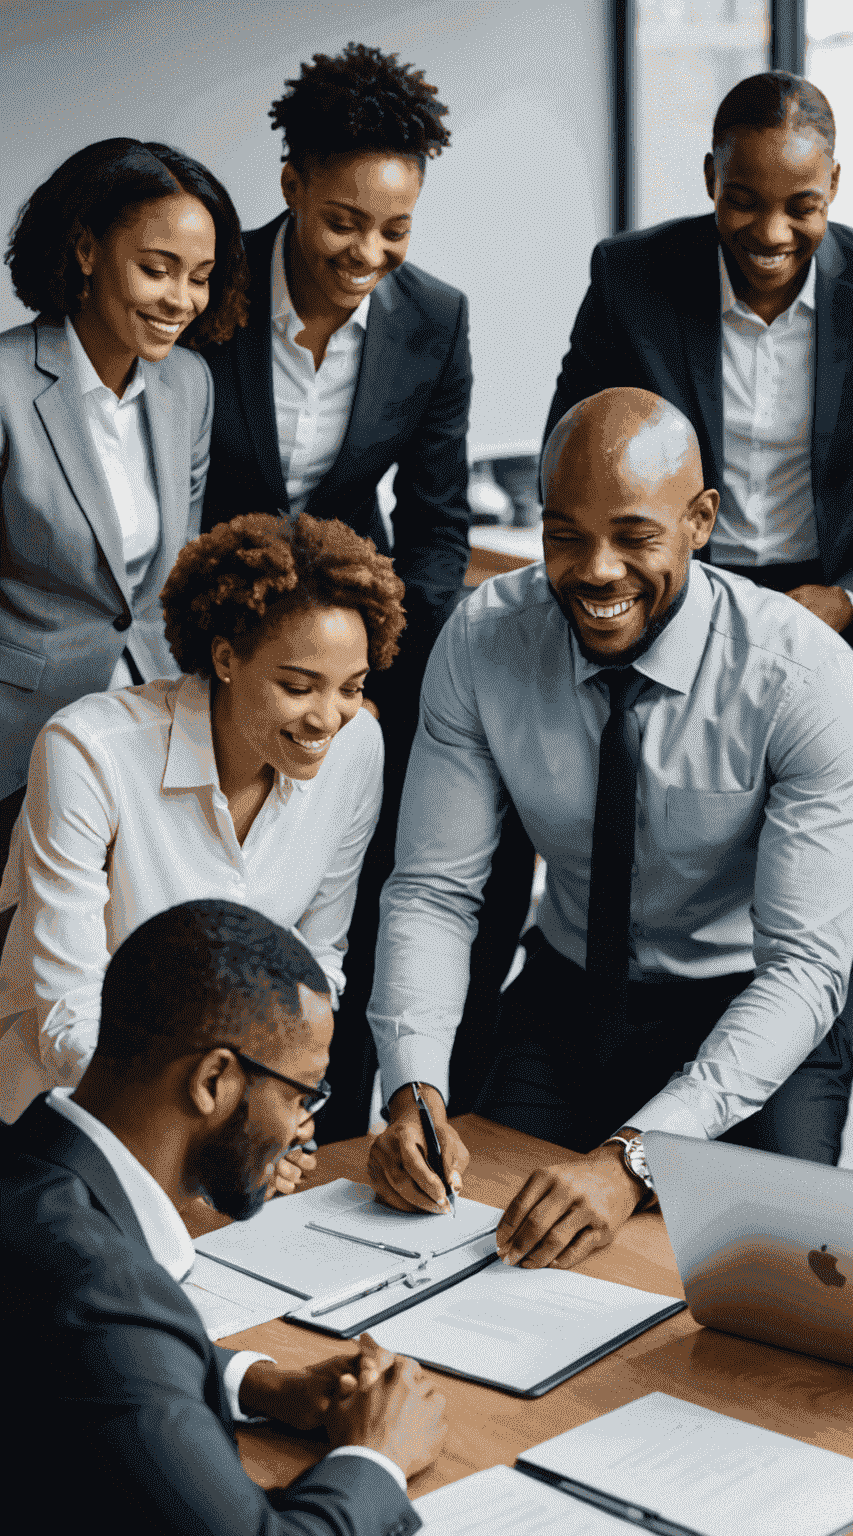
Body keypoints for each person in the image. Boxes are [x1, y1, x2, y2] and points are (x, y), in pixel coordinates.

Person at [366, 389, 853, 1272]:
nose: (596, 572)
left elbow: (805, 969)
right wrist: (412, 1082)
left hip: (752, 1003)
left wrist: (633, 1158)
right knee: (468, 1239)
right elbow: (434, 892)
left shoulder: (803, 677)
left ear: (700, 521)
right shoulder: (483, 642)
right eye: (564, 536)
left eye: (635, 537)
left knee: (767, 1286)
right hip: (571, 993)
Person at [545, 71, 853, 983]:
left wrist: (846, 601)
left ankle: (811, 1033)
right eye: (742, 200)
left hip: (822, 606)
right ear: (709, 175)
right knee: (672, 860)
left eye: (801, 205)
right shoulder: (632, 275)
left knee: (809, 874)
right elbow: (568, 450)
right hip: (672, 593)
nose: (770, 232)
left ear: (834, 185)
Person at [197, 43, 507, 1135]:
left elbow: (436, 523)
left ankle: (326, 1126)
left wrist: (373, 676)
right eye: (343, 221)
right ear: (291, 186)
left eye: (395, 228)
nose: (367, 251)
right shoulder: (209, 288)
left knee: (357, 894)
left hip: (348, 645)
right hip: (207, 646)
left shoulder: (435, 319)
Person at [2, 898, 447, 1535]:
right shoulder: (105, 1292)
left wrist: (256, 1384)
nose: (304, 1127)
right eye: (300, 1094)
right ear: (215, 1079)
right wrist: (377, 1455)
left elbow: (87, 1364)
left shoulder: (26, 1166)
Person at [0, 513, 400, 1152]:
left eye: (352, 687)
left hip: (226, 1117)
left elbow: (315, 962)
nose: (329, 717)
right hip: (66, 1114)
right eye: (298, 686)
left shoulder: (357, 748)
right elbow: (65, 1008)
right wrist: (228, 1123)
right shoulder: (89, 749)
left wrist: (278, 1114)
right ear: (226, 658)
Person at [0, 137, 247, 863]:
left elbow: (177, 577)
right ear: (84, 250)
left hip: (151, 731)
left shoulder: (189, 386)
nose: (182, 301)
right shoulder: (8, 387)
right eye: (156, 268)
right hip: (18, 742)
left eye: (199, 277)